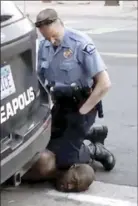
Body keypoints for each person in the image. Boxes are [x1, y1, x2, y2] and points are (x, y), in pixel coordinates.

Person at [23, 8, 116, 192]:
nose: (51, 41)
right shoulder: (45, 46)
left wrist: (83, 111)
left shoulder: (80, 43)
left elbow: (104, 84)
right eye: (46, 37)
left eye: (54, 36)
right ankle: (88, 134)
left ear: (60, 25)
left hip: (83, 105)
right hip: (60, 104)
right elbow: (41, 80)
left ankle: (94, 149)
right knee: (46, 141)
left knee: (63, 158)